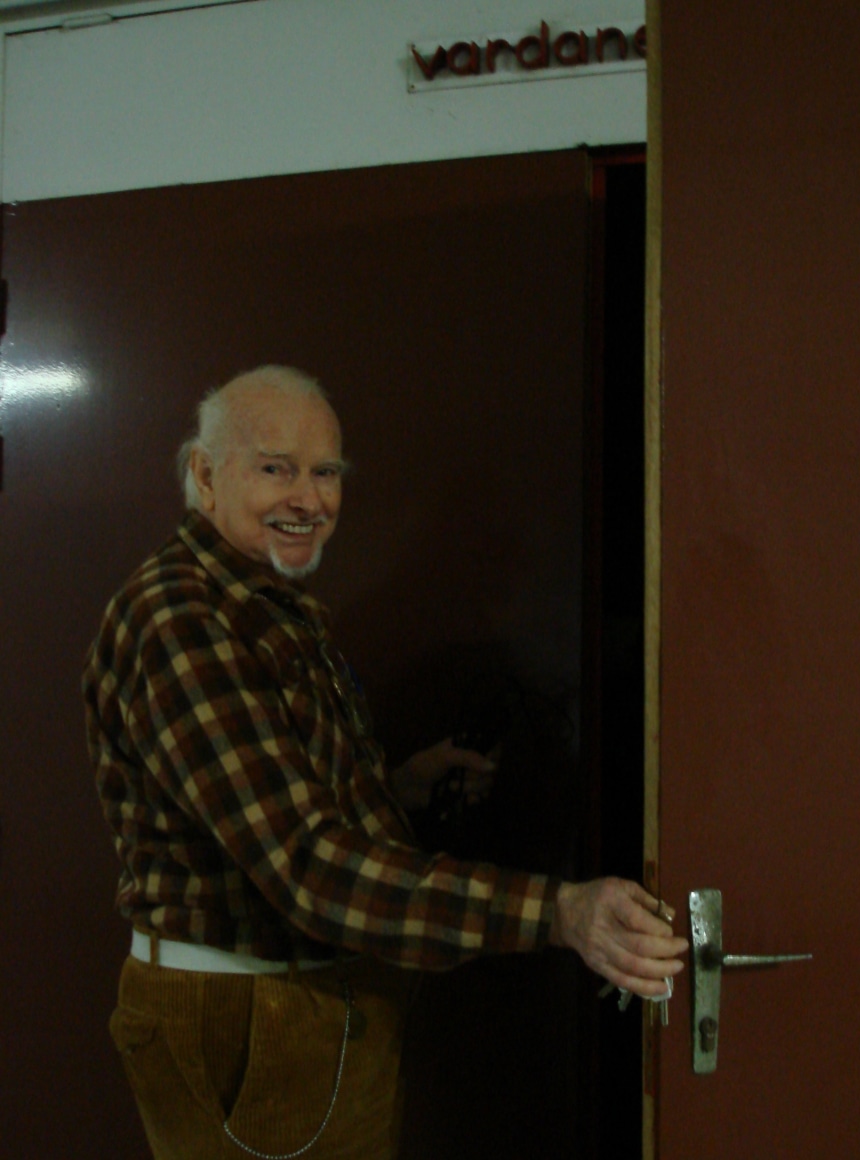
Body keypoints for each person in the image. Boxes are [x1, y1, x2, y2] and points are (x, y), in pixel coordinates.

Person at [82, 365, 687, 1160]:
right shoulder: (182, 620)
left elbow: (266, 811)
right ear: (204, 473)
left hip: (292, 1007)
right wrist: (559, 912)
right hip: (251, 1012)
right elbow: (305, 866)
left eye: (325, 472)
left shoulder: (262, 602)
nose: (309, 499)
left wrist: (393, 786)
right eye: (276, 468)